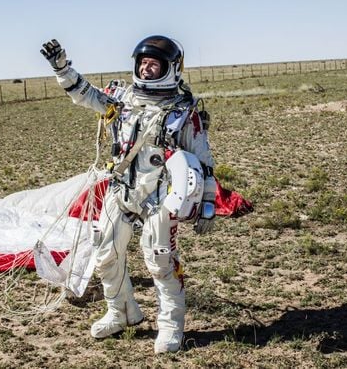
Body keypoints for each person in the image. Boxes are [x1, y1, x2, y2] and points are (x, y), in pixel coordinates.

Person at [41, 35, 216, 353]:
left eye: (154, 64)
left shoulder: (182, 112)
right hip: (121, 189)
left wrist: (208, 202)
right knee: (105, 255)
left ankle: (170, 326)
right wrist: (62, 68)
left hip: (160, 197)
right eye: (143, 63)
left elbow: (203, 159)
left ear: (170, 69)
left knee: (160, 262)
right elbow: (84, 94)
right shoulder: (120, 99)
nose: (147, 69)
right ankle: (120, 312)